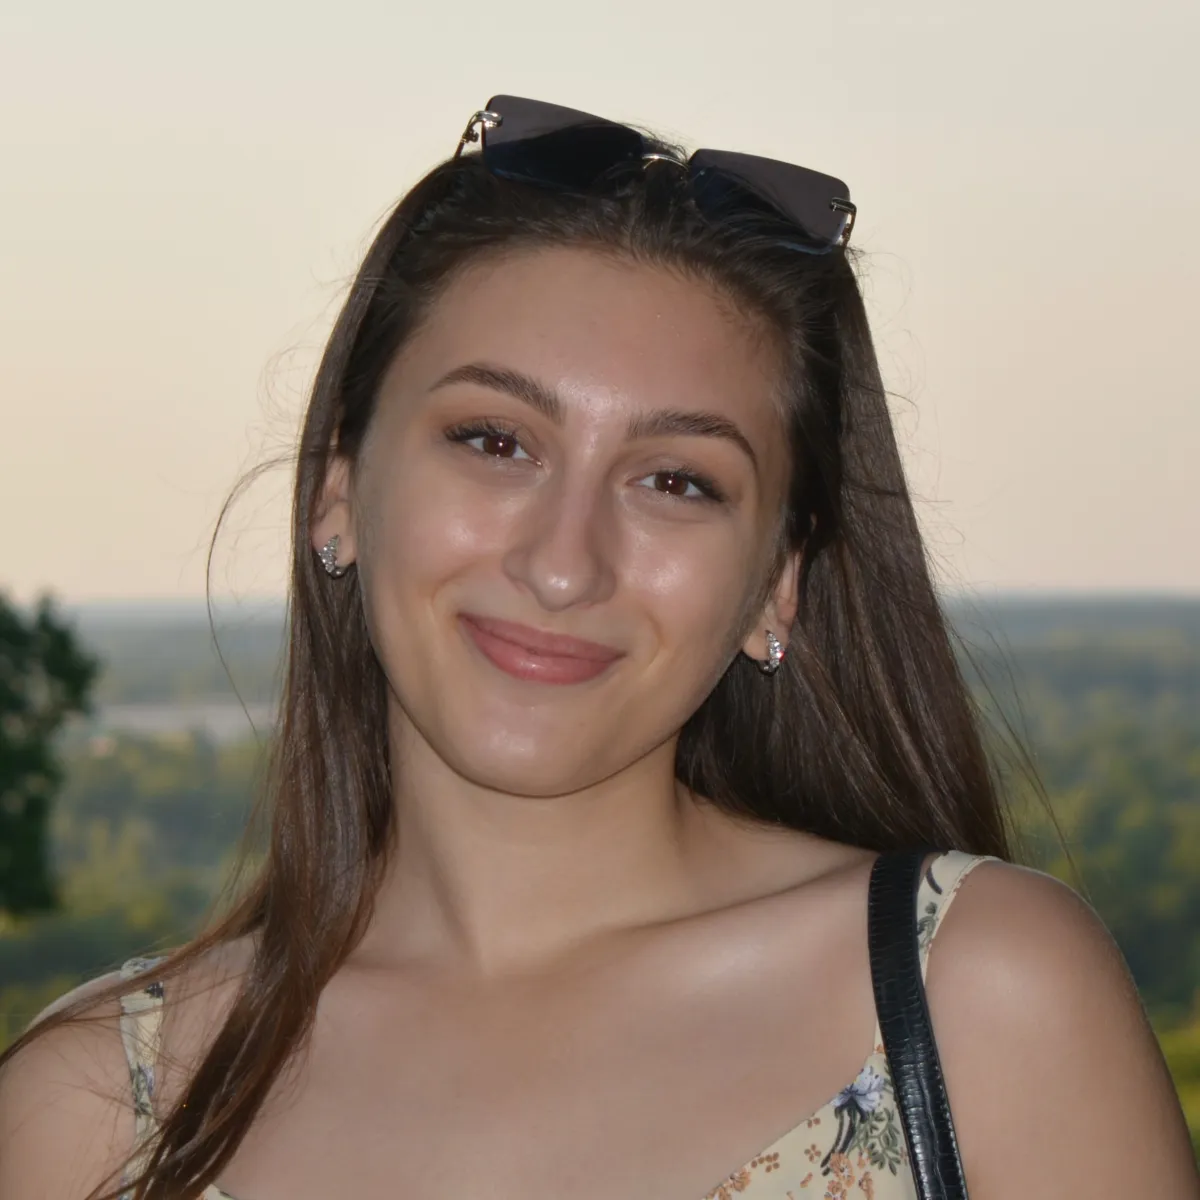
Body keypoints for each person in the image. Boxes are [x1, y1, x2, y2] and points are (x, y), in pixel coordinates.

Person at [0, 95, 1196, 1200]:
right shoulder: (99, 1116)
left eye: (677, 480)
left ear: (776, 585)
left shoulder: (976, 1002)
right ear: (338, 492)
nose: (564, 563)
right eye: (495, 441)